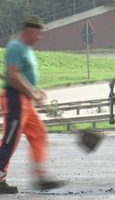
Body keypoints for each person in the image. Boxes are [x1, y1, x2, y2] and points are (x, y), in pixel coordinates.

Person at [0, 15, 66, 194]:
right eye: (39, 33)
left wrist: (36, 90)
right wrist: (31, 92)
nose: (40, 37)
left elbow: (24, 75)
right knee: (10, 139)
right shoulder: (16, 47)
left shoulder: (26, 49)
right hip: (15, 99)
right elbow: (13, 75)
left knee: (38, 134)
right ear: (30, 31)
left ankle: (41, 176)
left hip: (25, 100)